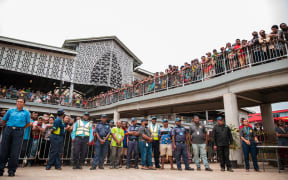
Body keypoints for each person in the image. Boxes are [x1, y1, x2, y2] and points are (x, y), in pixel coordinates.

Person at [0, 97, 31, 177]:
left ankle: (11, 170)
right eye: (18, 101)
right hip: (8, 130)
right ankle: (0, 169)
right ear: (16, 102)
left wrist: (20, 128)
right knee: (3, 150)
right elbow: (4, 120)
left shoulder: (26, 113)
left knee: (15, 151)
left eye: (21, 102)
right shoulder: (10, 110)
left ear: (24, 103)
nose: (19, 103)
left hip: (19, 131)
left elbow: (28, 123)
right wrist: (9, 127)